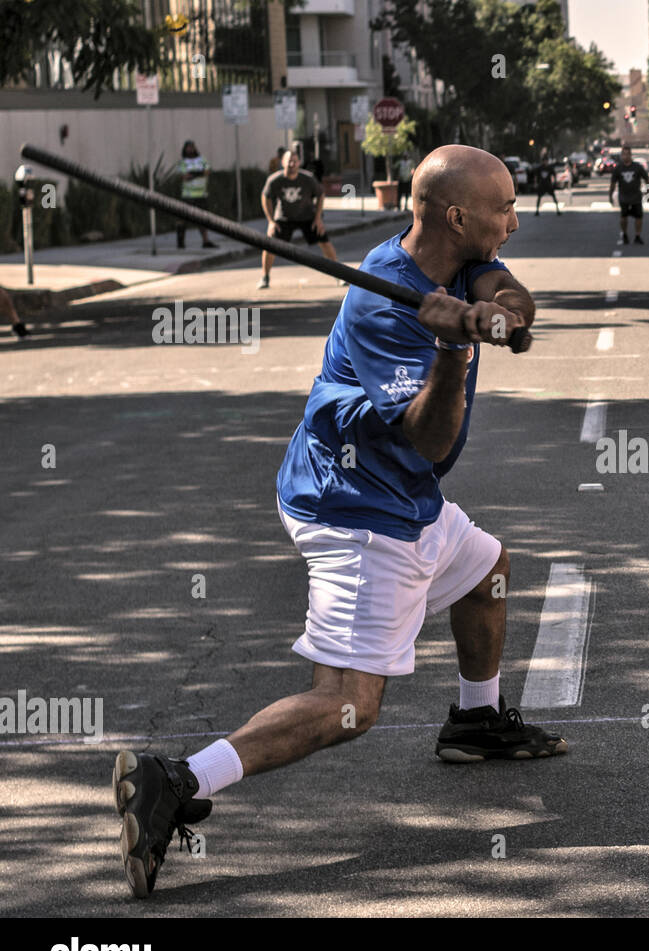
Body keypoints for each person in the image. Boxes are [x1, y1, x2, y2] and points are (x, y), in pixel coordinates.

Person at [110, 144, 567, 900]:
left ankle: (477, 724)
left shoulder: (455, 258)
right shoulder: (385, 304)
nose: (514, 221)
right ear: (457, 216)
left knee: (485, 566)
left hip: (403, 497)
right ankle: (177, 778)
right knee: (349, 703)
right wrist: (452, 347)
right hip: (358, 508)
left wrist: (502, 315)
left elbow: (507, 287)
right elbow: (430, 440)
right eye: (504, 209)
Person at [257, 148, 343, 289]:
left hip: (307, 217)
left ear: (299, 163)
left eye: (295, 161)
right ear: (283, 162)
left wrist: (318, 218)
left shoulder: (308, 178)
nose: (292, 164)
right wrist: (271, 221)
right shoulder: (275, 180)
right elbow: (264, 197)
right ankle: (265, 277)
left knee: (324, 241)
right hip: (284, 218)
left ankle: (339, 276)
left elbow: (321, 195)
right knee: (269, 243)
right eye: (289, 161)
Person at [176, 140, 217, 249]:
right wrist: (199, 173)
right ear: (185, 149)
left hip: (201, 195)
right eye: (188, 148)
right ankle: (180, 242)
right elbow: (184, 176)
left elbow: (207, 171)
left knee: (203, 220)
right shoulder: (183, 162)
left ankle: (205, 241)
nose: (190, 149)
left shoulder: (201, 160)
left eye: (191, 147)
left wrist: (194, 174)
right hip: (187, 195)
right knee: (182, 219)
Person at [608, 145, 649, 244]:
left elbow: (646, 179)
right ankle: (624, 234)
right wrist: (610, 196)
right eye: (624, 154)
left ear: (631, 155)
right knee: (623, 218)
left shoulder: (637, 167)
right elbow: (613, 183)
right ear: (622, 156)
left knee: (639, 217)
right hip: (624, 197)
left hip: (636, 196)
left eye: (628, 154)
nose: (626, 156)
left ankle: (637, 235)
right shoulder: (618, 168)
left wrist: (648, 194)